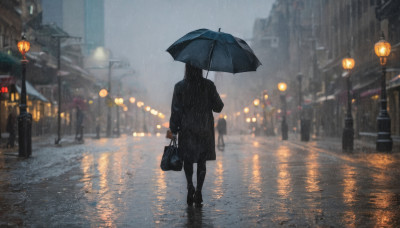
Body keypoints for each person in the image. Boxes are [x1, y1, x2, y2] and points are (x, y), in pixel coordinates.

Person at [167, 63, 224, 206]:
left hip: (187, 130)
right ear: (200, 69)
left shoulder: (179, 87)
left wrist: (172, 131)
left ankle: (189, 186)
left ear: (187, 69)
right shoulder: (208, 86)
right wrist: (208, 94)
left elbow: (176, 111)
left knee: (188, 160)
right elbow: (219, 107)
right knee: (201, 162)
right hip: (204, 130)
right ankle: (198, 190)